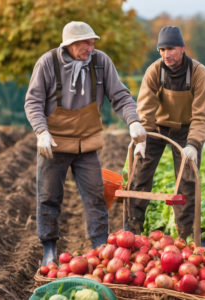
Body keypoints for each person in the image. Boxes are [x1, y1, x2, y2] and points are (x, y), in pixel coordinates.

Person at [24, 21, 146, 265]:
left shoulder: (101, 62)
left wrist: (133, 121)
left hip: (87, 145)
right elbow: (33, 101)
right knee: (49, 196)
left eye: (93, 42)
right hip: (54, 146)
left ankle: (100, 247)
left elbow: (120, 96)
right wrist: (41, 131)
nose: (91, 47)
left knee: (96, 197)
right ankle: (49, 249)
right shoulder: (48, 63)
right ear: (69, 44)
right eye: (86, 43)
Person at [125, 26, 205, 240]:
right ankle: (132, 232)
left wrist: (193, 144)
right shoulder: (155, 71)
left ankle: (185, 236)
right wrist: (142, 138)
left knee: (187, 182)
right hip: (155, 128)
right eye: (162, 49)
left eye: (171, 49)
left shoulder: (199, 73)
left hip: (185, 131)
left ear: (182, 48)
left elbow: (202, 115)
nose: (167, 54)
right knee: (139, 176)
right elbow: (145, 107)